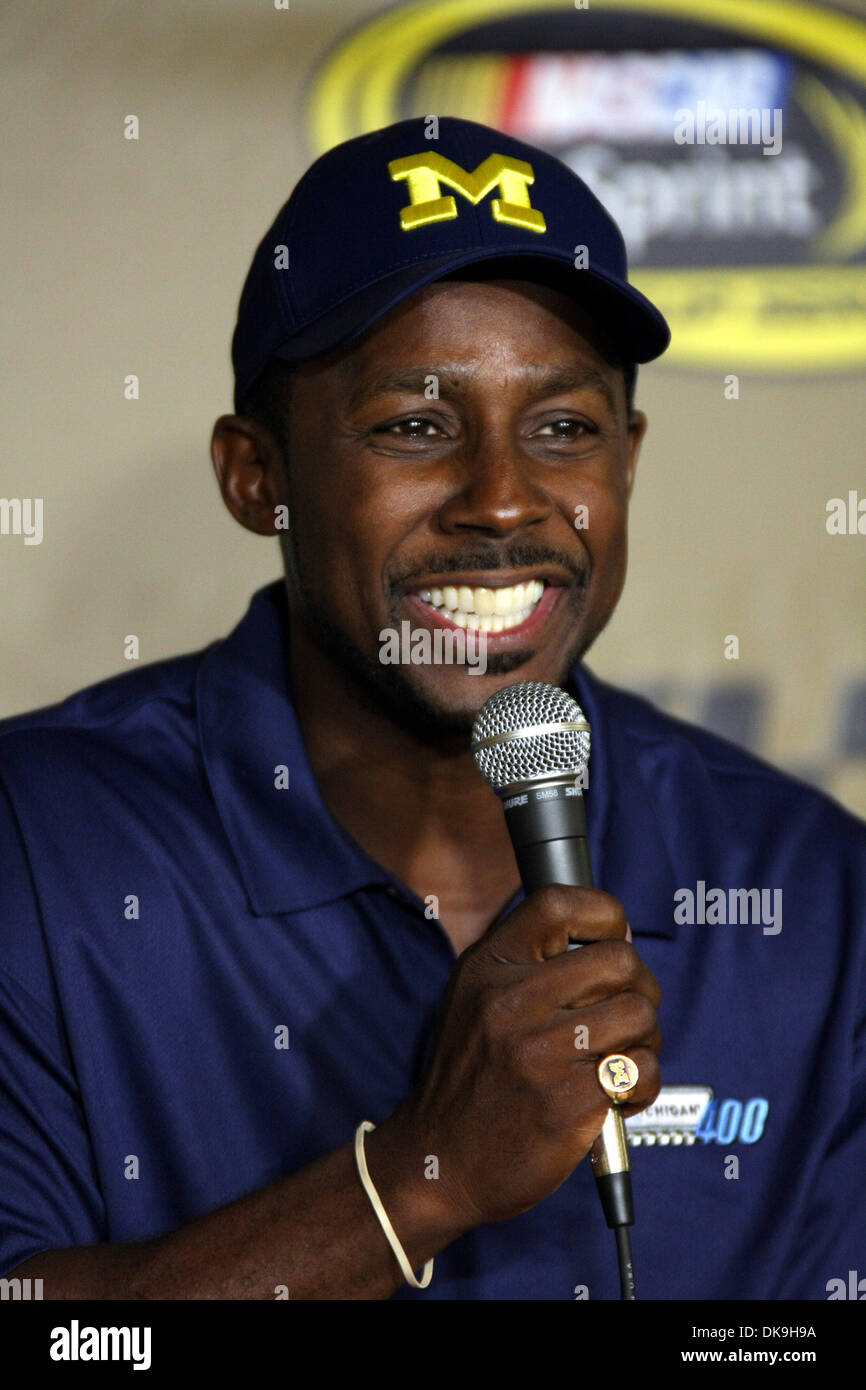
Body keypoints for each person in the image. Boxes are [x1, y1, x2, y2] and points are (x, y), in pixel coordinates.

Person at [0, 117, 863, 1302]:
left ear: (626, 461)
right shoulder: (33, 849)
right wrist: (416, 1180)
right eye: (414, 425)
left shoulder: (808, 888)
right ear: (259, 477)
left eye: (562, 428)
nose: (503, 502)